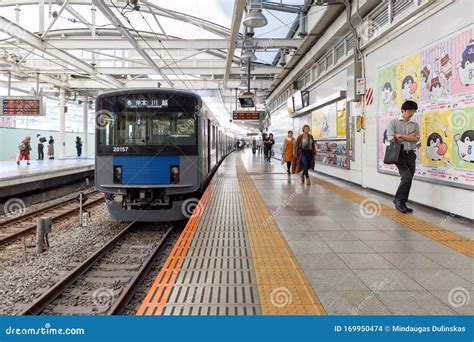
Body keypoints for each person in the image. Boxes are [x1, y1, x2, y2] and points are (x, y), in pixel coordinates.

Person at [387, 100, 420, 214]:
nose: (411, 113)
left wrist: (401, 136)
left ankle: (401, 201)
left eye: (414, 111)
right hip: (399, 154)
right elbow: (392, 139)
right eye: (410, 111)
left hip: (411, 154)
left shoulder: (415, 125)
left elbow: (416, 139)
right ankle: (399, 200)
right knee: (406, 178)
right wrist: (409, 137)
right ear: (403, 110)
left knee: (409, 178)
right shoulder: (393, 122)